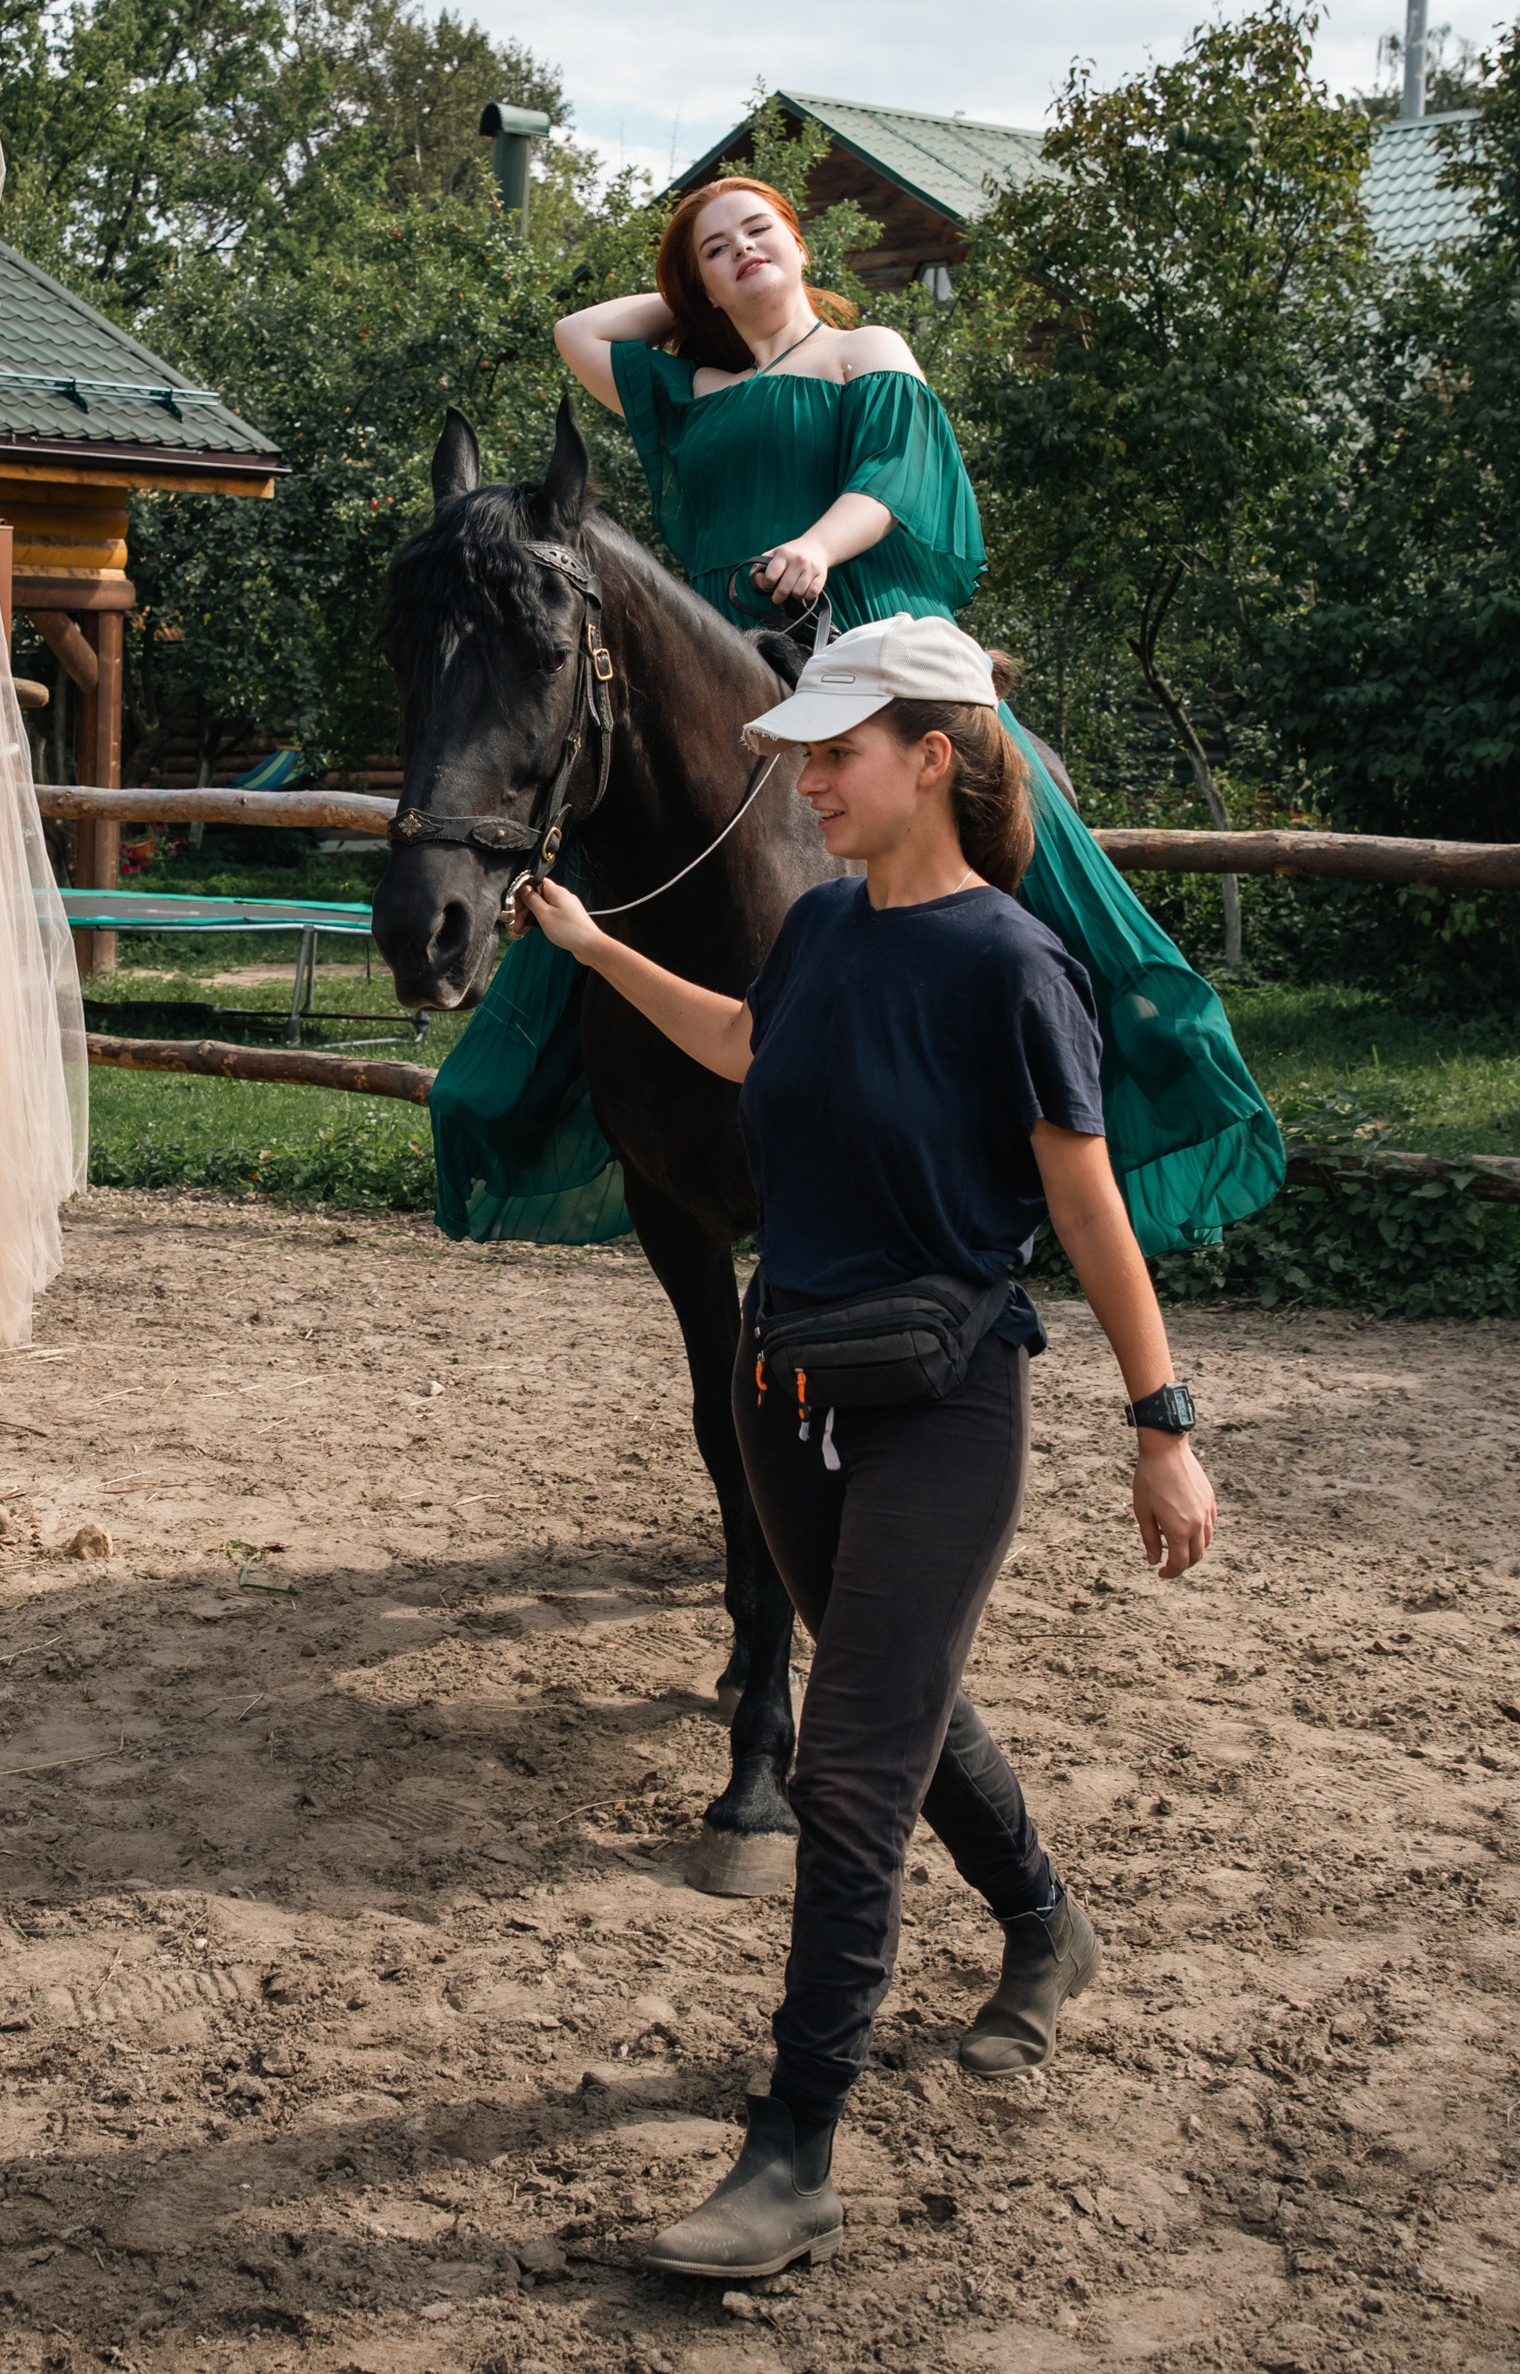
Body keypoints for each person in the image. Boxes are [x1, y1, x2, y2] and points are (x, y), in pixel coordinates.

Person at [521, 611, 1219, 2278]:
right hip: (789, 1394)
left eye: (835, 750)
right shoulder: (823, 934)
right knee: (901, 1706)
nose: (807, 775)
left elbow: (1083, 1199)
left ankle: (792, 2149)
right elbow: (755, 1045)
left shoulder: (1012, 964)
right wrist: (603, 951)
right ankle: (1046, 1926)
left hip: (945, 1402)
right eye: (804, 752)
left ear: (937, 757)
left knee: (844, 1765)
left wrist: (1160, 1423)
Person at [426, 173, 1280, 1259]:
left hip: (863, 620)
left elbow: (892, 480)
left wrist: (819, 547)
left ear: (800, 241)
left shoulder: (864, 349)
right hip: (719, 648)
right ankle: (581, 1066)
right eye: (715, 247)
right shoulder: (684, 380)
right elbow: (574, 329)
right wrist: (692, 299)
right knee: (611, 818)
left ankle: (1067, 1056)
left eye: (761, 230)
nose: (742, 249)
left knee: (1013, 783)